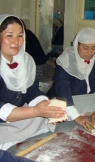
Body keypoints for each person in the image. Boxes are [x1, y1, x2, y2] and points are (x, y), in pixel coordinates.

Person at [0, 14, 66, 150]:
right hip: (4, 116)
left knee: (43, 116)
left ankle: (12, 137)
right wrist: (34, 111)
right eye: (9, 35)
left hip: (18, 113)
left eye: (20, 36)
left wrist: (43, 104)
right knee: (36, 116)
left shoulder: (26, 61)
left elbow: (32, 90)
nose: (16, 41)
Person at [46, 28, 95, 129]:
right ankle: (89, 113)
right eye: (85, 48)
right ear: (77, 45)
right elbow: (62, 90)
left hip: (88, 97)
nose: (89, 52)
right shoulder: (66, 59)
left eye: (94, 48)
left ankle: (91, 112)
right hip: (70, 98)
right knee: (54, 107)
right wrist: (77, 117)